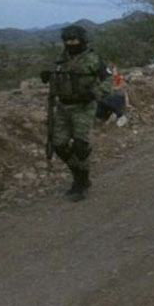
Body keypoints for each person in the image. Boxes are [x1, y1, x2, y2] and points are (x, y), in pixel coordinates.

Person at [39, 24, 111, 202]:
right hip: (63, 107)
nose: (71, 43)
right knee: (59, 145)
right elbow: (57, 77)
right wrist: (48, 76)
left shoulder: (93, 59)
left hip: (83, 107)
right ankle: (79, 174)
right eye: (68, 40)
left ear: (82, 40)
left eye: (74, 39)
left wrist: (94, 93)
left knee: (80, 146)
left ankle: (81, 182)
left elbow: (109, 80)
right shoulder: (60, 59)